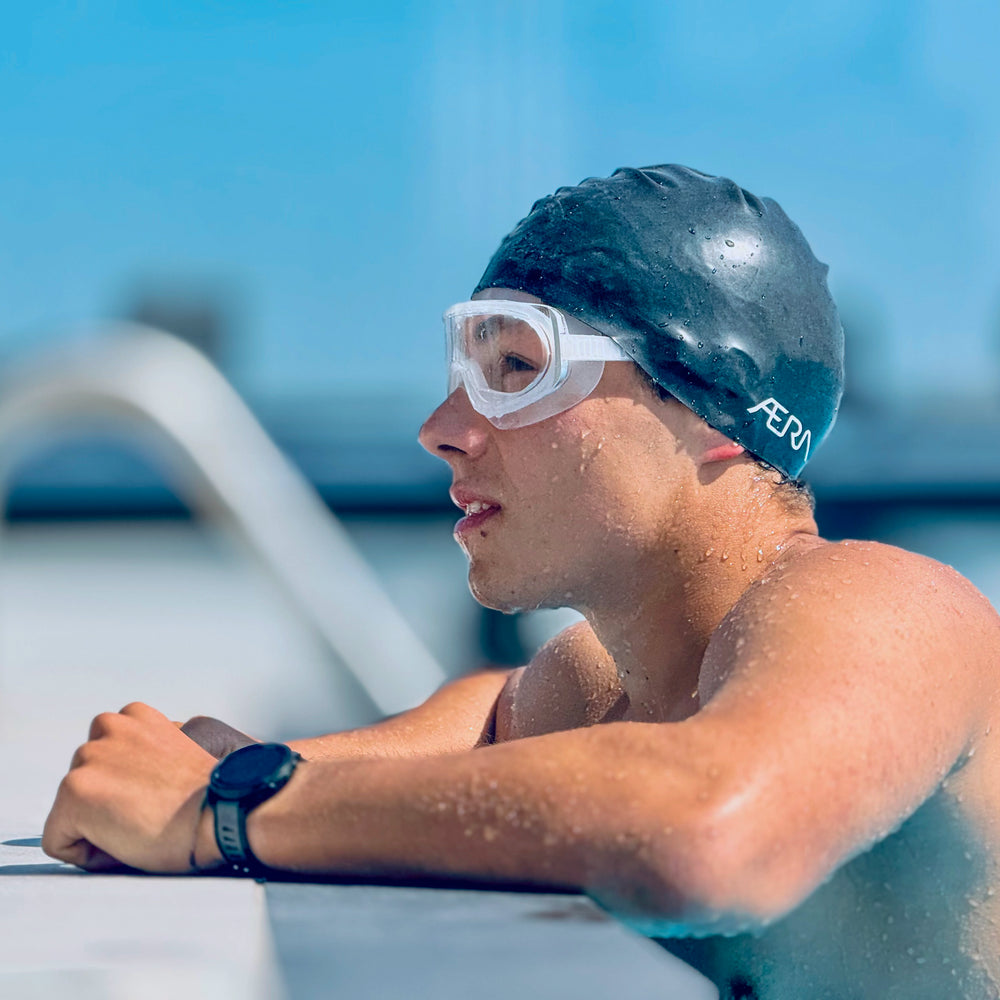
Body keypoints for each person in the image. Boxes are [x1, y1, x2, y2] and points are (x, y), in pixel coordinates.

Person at [42, 165, 1000, 999]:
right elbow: (456, 747)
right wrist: (208, 771)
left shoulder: (890, 607)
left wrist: (233, 807)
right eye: (465, 370)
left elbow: (708, 832)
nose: (443, 426)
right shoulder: (590, 693)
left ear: (713, 411)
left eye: (517, 368)